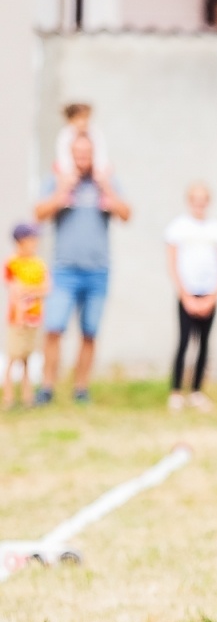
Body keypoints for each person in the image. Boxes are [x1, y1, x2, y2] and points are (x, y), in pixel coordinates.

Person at [32, 133, 130, 405]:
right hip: (64, 270)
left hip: (98, 270)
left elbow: (126, 214)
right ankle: (47, 387)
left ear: (94, 155)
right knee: (54, 329)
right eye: (78, 154)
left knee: (89, 332)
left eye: (87, 154)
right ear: (70, 155)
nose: (82, 159)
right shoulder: (58, 180)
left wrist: (106, 187)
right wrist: (62, 190)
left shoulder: (106, 181)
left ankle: (81, 389)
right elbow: (39, 214)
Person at [164, 182, 217, 411]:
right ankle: (176, 391)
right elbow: (172, 263)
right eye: (195, 200)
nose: (199, 204)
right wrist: (185, 295)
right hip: (187, 293)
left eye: (203, 200)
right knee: (183, 342)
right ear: (189, 201)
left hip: (209, 293)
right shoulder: (178, 228)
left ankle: (196, 391)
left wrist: (213, 296)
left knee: (204, 344)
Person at [3, 224, 49, 410]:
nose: (36, 243)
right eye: (32, 239)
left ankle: (27, 398)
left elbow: (46, 288)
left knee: (27, 359)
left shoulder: (39, 264)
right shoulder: (12, 263)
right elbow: (15, 290)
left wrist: (28, 290)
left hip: (34, 319)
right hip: (17, 320)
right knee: (13, 357)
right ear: (21, 241)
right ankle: (8, 398)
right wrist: (32, 291)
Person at [52, 103, 112, 182]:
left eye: (85, 118)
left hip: (92, 168)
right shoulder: (66, 134)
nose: (83, 122)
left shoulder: (94, 132)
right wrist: (69, 169)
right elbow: (63, 153)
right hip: (69, 166)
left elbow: (100, 150)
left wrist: (99, 167)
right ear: (70, 120)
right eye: (79, 119)